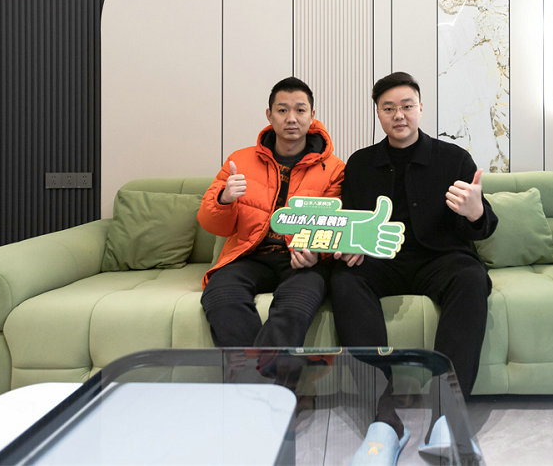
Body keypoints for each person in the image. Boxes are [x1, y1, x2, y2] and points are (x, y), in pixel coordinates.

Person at [330, 71, 497, 458]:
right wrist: (350, 245)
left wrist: (475, 211)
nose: (399, 115)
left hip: (439, 258)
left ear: (420, 108)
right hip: (381, 260)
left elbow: (483, 224)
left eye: (407, 106)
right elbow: (349, 220)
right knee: (344, 279)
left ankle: (447, 417)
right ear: (378, 113)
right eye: (388, 108)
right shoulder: (360, 163)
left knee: (471, 277)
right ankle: (384, 419)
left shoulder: (453, 158)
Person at [198, 77, 345, 350]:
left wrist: (316, 253)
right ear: (269, 115)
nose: (291, 118)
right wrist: (225, 198)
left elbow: (334, 226)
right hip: (249, 256)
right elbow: (212, 224)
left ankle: (252, 374)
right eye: (282, 110)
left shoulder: (334, 169)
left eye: (300, 110)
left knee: (295, 307)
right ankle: (265, 374)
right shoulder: (239, 161)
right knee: (221, 296)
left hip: (300, 261)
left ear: (312, 115)